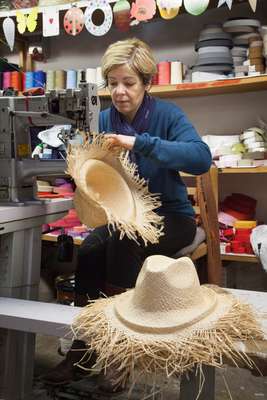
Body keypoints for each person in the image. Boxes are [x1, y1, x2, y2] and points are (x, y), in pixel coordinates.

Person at [43, 38, 212, 389]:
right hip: (124, 219)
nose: (119, 92)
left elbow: (200, 158)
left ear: (147, 83)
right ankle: (84, 350)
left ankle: (120, 354)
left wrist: (138, 142)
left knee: (122, 241)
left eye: (129, 83)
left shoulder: (167, 115)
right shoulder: (104, 118)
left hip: (172, 218)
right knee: (89, 249)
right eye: (113, 83)